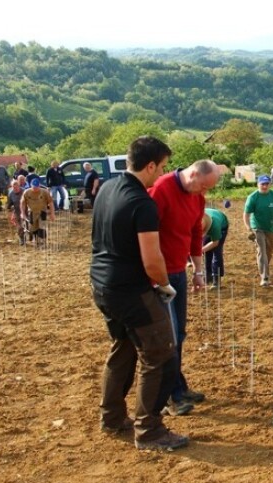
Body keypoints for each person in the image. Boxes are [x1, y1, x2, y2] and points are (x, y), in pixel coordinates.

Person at [90, 136, 189, 451]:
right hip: (132, 291)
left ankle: (112, 417)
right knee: (160, 355)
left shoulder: (107, 188)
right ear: (150, 166)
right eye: (161, 167)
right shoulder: (142, 203)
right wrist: (164, 285)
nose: (162, 172)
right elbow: (151, 259)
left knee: (124, 347)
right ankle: (149, 430)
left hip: (103, 285)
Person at [148, 158, 221, 415]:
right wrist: (156, 275)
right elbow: (147, 232)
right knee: (168, 336)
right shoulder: (161, 188)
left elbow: (193, 235)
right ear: (192, 175)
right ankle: (170, 396)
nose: (204, 193)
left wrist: (198, 271)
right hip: (160, 274)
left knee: (179, 333)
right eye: (203, 186)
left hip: (179, 272)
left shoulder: (197, 198)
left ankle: (178, 385)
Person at [243, 175, 273, 287]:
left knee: (269, 251)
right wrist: (248, 228)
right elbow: (246, 214)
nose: (265, 186)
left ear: (270, 184)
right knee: (262, 251)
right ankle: (265, 277)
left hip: (271, 227)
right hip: (257, 227)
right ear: (258, 184)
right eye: (263, 184)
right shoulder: (253, 197)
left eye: (267, 184)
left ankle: (264, 267)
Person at [20, 178, 56, 246]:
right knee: (33, 228)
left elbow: (51, 203)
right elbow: (23, 203)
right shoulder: (26, 192)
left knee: (42, 227)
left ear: (39, 185)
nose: (35, 189)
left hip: (42, 211)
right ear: (31, 186)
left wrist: (52, 213)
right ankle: (36, 240)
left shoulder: (45, 192)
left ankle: (43, 242)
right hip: (32, 212)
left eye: (37, 187)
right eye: (34, 187)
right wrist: (22, 213)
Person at [202, 207, 229, 288]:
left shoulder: (215, 226)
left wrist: (201, 250)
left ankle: (216, 279)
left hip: (222, 226)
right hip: (207, 222)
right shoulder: (194, 221)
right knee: (207, 251)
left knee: (216, 252)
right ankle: (208, 275)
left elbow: (215, 243)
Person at [7, 180, 26, 245]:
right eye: (13, 188)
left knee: (28, 225)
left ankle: (30, 234)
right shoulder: (11, 194)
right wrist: (8, 207)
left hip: (26, 210)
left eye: (16, 187)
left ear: (19, 186)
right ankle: (22, 239)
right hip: (17, 211)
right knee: (19, 227)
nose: (15, 189)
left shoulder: (24, 191)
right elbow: (9, 204)